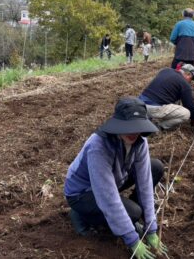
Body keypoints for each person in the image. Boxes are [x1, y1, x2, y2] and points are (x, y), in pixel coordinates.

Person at [64, 97, 168, 259]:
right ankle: (80, 214)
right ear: (118, 124)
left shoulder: (140, 142)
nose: (133, 133)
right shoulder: (98, 146)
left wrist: (151, 228)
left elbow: (145, 183)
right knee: (133, 213)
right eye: (128, 127)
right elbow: (107, 196)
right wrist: (131, 238)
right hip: (82, 192)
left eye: (137, 127)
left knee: (155, 167)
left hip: (112, 180)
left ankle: (129, 212)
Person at [138, 64, 194, 130]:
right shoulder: (184, 84)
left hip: (140, 103)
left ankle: (148, 116)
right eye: (191, 79)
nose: (190, 81)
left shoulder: (166, 70)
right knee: (186, 114)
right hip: (154, 108)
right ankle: (158, 127)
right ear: (188, 74)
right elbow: (189, 105)